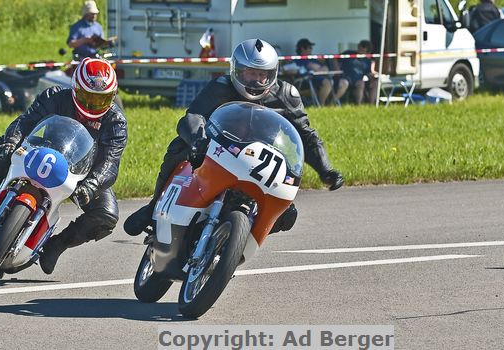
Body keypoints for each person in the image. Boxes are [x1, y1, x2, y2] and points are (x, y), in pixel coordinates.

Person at [124, 38, 344, 236]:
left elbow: (305, 135)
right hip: (218, 148)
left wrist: (326, 169)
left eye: (262, 75)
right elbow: (194, 116)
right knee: (178, 147)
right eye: (250, 73)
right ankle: (154, 206)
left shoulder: (287, 95)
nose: (256, 81)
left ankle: (236, 247)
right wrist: (197, 140)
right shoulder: (220, 87)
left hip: (261, 161)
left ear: (272, 74)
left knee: (287, 215)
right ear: (237, 70)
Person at [0, 57, 128, 275]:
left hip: (84, 173)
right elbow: (23, 122)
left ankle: (57, 245)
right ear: (75, 89)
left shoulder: (116, 121)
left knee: (107, 215)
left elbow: (110, 163)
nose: (92, 105)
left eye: (100, 100)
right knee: (1, 149)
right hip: (43, 150)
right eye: (87, 97)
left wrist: (92, 185)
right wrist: (11, 143)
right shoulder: (53, 97)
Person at [293, 38, 348, 105]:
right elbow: (313, 66)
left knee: (344, 83)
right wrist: (320, 68)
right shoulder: (299, 59)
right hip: (311, 80)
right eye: (309, 47)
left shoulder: (313, 58)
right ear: (302, 48)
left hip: (323, 77)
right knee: (328, 83)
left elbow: (324, 68)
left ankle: (332, 103)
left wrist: (320, 68)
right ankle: (321, 105)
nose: (311, 49)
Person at [336, 40, 375, 105]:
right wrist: (336, 68)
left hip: (358, 80)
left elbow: (368, 73)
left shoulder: (367, 61)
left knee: (367, 83)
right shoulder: (349, 53)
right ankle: (333, 101)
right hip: (346, 78)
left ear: (367, 52)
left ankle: (367, 104)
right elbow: (334, 58)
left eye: (363, 49)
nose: (360, 50)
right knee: (344, 83)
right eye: (359, 47)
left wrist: (372, 79)